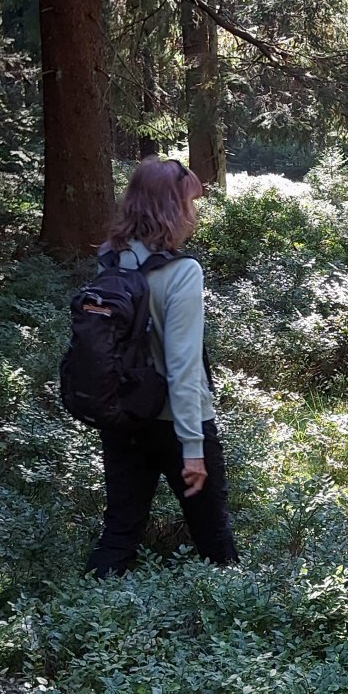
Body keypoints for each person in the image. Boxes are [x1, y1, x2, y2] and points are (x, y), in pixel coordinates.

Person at [84, 157, 239, 577]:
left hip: (123, 414)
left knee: (119, 533)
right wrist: (193, 449)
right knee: (214, 543)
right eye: (190, 203)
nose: (194, 213)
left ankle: (88, 610)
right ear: (173, 208)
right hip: (176, 422)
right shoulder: (182, 271)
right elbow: (183, 366)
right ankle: (231, 613)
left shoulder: (110, 259)